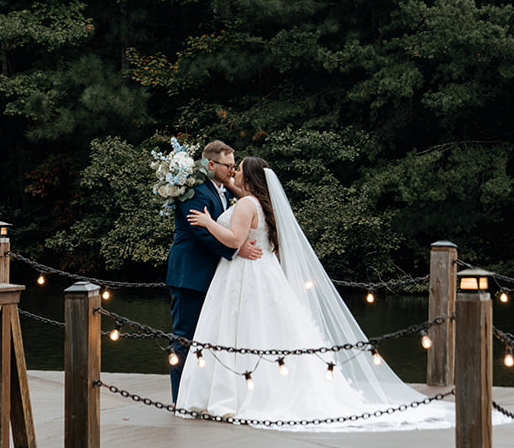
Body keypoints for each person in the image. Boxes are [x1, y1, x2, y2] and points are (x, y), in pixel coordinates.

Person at [175, 157, 456, 429]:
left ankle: (230, 394)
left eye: (239, 170)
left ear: (248, 178)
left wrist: (208, 222)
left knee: (237, 328)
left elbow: (235, 239)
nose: (234, 172)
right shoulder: (263, 204)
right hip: (264, 272)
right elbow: (250, 215)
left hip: (244, 273)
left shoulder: (246, 205)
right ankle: (263, 385)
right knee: (263, 329)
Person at [165, 141, 261, 404]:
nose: (232, 170)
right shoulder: (194, 192)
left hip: (212, 278)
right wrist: (236, 248)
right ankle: (179, 400)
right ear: (211, 165)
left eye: (234, 166)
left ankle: (200, 396)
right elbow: (201, 232)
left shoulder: (222, 190)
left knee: (208, 338)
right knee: (184, 338)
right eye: (228, 166)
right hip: (190, 276)